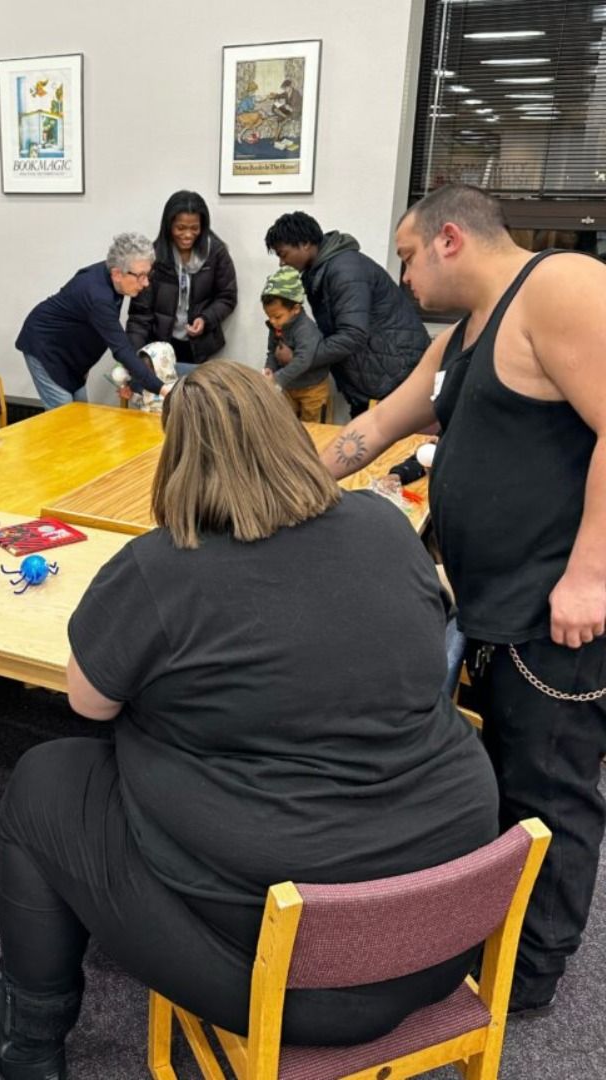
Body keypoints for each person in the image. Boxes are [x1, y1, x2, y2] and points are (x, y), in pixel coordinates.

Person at [0, 360, 499, 1079]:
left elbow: (89, 704)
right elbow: (423, 623)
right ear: (288, 437)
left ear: (177, 457)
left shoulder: (161, 567)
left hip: (290, 980)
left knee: (44, 780)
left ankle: (30, 1039)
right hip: (447, 933)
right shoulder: (383, 525)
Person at [322, 182, 606, 1017]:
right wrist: (270, 479)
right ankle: (500, 928)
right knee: (504, 778)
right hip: (491, 601)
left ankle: (531, 976)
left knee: (551, 790)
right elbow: (374, 430)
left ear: (450, 238)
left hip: (554, 606)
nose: (401, 279)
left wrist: (590, 574)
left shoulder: (558, 287)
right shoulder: (461, 339)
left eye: (406, 258)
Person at [264, 210, 430, 420]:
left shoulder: (344, 271)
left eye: (283, 254)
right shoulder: (321, 270)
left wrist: (299, 358)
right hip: (378, 373)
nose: (281, 263)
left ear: (305, 243)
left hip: (393, 374)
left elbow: (352, 335)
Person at [16, 233, 164, 409]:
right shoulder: (97, 294)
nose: (146, 283)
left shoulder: (112, 275)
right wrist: (162, 388)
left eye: (148, 275)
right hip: (45, 347)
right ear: (117, 273)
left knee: (80, 411)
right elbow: (121, 348)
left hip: (69, 352)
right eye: (140, 276)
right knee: (64, 418)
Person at [127, 190, 238, 378]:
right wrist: (134, 357)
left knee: (195, 399)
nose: (187, 235)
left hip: (200, 346)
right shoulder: (154, 256)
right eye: (180, 228)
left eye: (195, 228)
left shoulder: (216, 253)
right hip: (160, 346)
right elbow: (140, 314)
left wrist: (206, 319)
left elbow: (227, 296)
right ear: (168, 226)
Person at [259, 266, 331, 422]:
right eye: (269, 316)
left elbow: (303, 360)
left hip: (313, 390)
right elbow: (272, 351)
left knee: (315, 431)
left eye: (277, 316)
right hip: (289, 387)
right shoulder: (275, 326)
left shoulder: (305, 328)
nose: (272, 321)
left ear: (296, 309)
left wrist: (277, 378)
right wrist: (269, 370)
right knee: (287, 427)